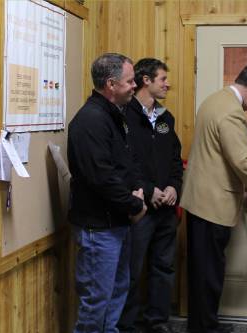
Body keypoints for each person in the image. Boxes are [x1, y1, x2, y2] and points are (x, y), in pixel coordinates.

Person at [180, 64, 247, 333]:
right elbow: (242, 162)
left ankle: (202, 324)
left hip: (199, 199)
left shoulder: (214, 100)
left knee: (201, 270)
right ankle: (206, 328)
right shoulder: (232, 113)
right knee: (209, 272)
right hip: (213, 203)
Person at [67, 53, 147, 333]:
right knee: (96, 306)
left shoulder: (114, 115)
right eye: (129, 81)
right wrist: (133, 205)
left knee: (116, 293)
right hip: (98, 229)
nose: (135, 85)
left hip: (116, 224)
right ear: (111, 85)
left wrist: (137, 191)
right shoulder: (90, 120)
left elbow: (126, 161)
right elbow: (101, 177)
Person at [118, 58, 183, 333]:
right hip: (139, 208)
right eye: (163, 79)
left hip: (166, 209)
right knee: (131, 271)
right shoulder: (124, 116)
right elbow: (124, 162)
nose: (168, 84)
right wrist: (148, 190)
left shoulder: (166, 119)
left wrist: (173, 188)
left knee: (163, 267)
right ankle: (127, 325)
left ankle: (158, 321)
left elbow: (175, 161)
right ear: (146, 80)